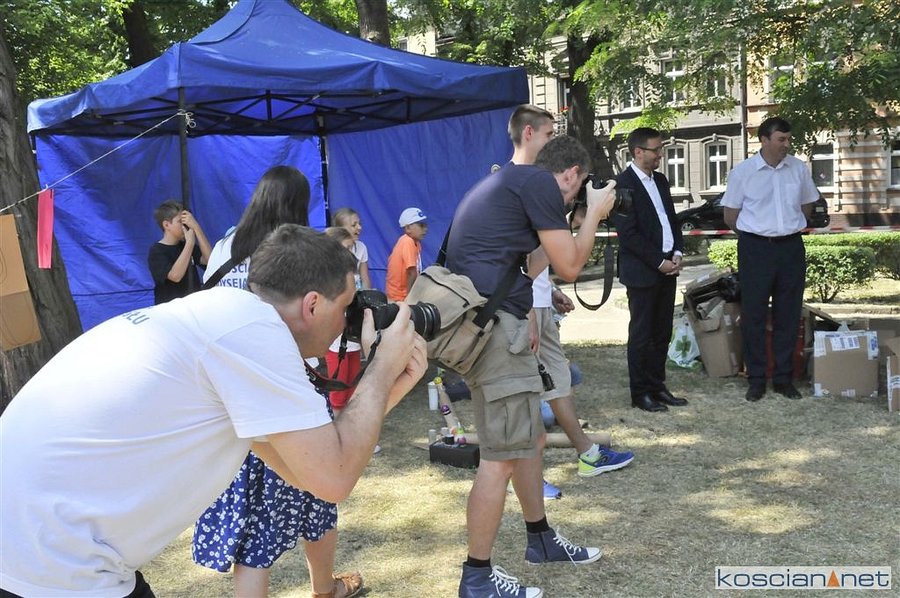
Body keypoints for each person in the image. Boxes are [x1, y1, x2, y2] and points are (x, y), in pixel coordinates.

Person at [0, 224, 427, 598]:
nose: (349, 320)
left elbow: (310, 470)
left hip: (33, 540)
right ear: (312, 304)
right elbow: (334, 478)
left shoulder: (224, 317)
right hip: (55, 561)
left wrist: (389, 385)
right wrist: (381, 368)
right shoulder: (257, 336)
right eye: (347, 305)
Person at [447, 122, 617, 598]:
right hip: (497, 336)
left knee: (531, 441)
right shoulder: (538, 184)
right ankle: (476, 578)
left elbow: (529, 265)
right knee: (501, 458)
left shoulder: (507, 183)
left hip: (494, 326)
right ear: (571, 175)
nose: (572, 200)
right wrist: (594, 214)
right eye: (577, 191)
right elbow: (571, 266)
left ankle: (540, 539)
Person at [192, 167, 362, 598]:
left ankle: (324, 587)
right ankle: (325, 588)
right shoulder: (297, 254)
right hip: (288, 389)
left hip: (234, 400)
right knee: (319, 493)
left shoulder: (226, 245)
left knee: (253, 533)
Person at [503, 105, 634, 484]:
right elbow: (522, 264)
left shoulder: (531, 187)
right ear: (528, 134)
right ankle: (529, 477)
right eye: (548, 133)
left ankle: (586, 454)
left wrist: (550, 289)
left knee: (556, 379)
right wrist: (590, 216)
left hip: (536, 301)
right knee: (527, 390)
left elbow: (539, 258)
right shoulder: (519, 186)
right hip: (522, 307)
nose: (552, 141)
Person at [722, 116, 818, 401]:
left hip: (790, 247)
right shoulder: (743, 173)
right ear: (764, 140)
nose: (786, 145)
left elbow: (807, 205)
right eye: (781, 140)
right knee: (754, 314)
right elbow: (730, 216)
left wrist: (786, 227)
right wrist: (757, 235)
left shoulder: (798, 169)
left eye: (788, 139)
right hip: (755, 248)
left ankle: (783, 378)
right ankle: (756, 379)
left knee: (788, 313)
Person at [612, 127, 687, 413]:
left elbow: (671, 220)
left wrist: (677, 252)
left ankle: (658, 386)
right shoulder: (623, 185)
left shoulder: (661, 181)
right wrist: (658, 261)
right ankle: (640, 392)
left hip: (668, 267)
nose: (660, 154)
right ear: (638, 151)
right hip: (643, 271)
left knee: (662, 332)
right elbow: (629, 234)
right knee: (642, 334)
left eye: (661, 149)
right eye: (656, 150)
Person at [147, 200, 211, 304]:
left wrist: (196, 228)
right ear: (166, 225)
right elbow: (175, 276)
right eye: (181, 221)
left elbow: (210, 261)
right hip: (170, 308)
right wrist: (189, 244)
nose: (186, 225)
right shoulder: (157, 251)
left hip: (193, 306)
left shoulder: (187, 245)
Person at [385, 207, 427, 301]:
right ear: (408, 228)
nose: (425, 229)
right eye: (421, 225)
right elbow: (411, 272)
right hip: (399, 297)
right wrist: (410, 298)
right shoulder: (408, 242)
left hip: (402, 295)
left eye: (425, 225)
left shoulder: (416, 243)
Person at [332, 208, 372, 290]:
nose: (359, 227)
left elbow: (365, 277)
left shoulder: (361, 247)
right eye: (354, 225)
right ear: (340, 230)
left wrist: (366, 294)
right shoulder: (331, 249)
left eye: (359, 223)